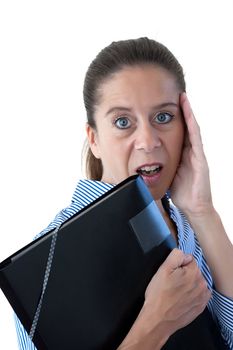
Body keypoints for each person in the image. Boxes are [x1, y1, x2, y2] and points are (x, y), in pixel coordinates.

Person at [15, 37, 233, 349]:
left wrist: (204, 212)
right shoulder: (45, 266)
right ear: (94, 140)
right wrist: (155, 324)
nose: (148, 140)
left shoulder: (193, 226)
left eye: (163, 117)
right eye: (122, 122)